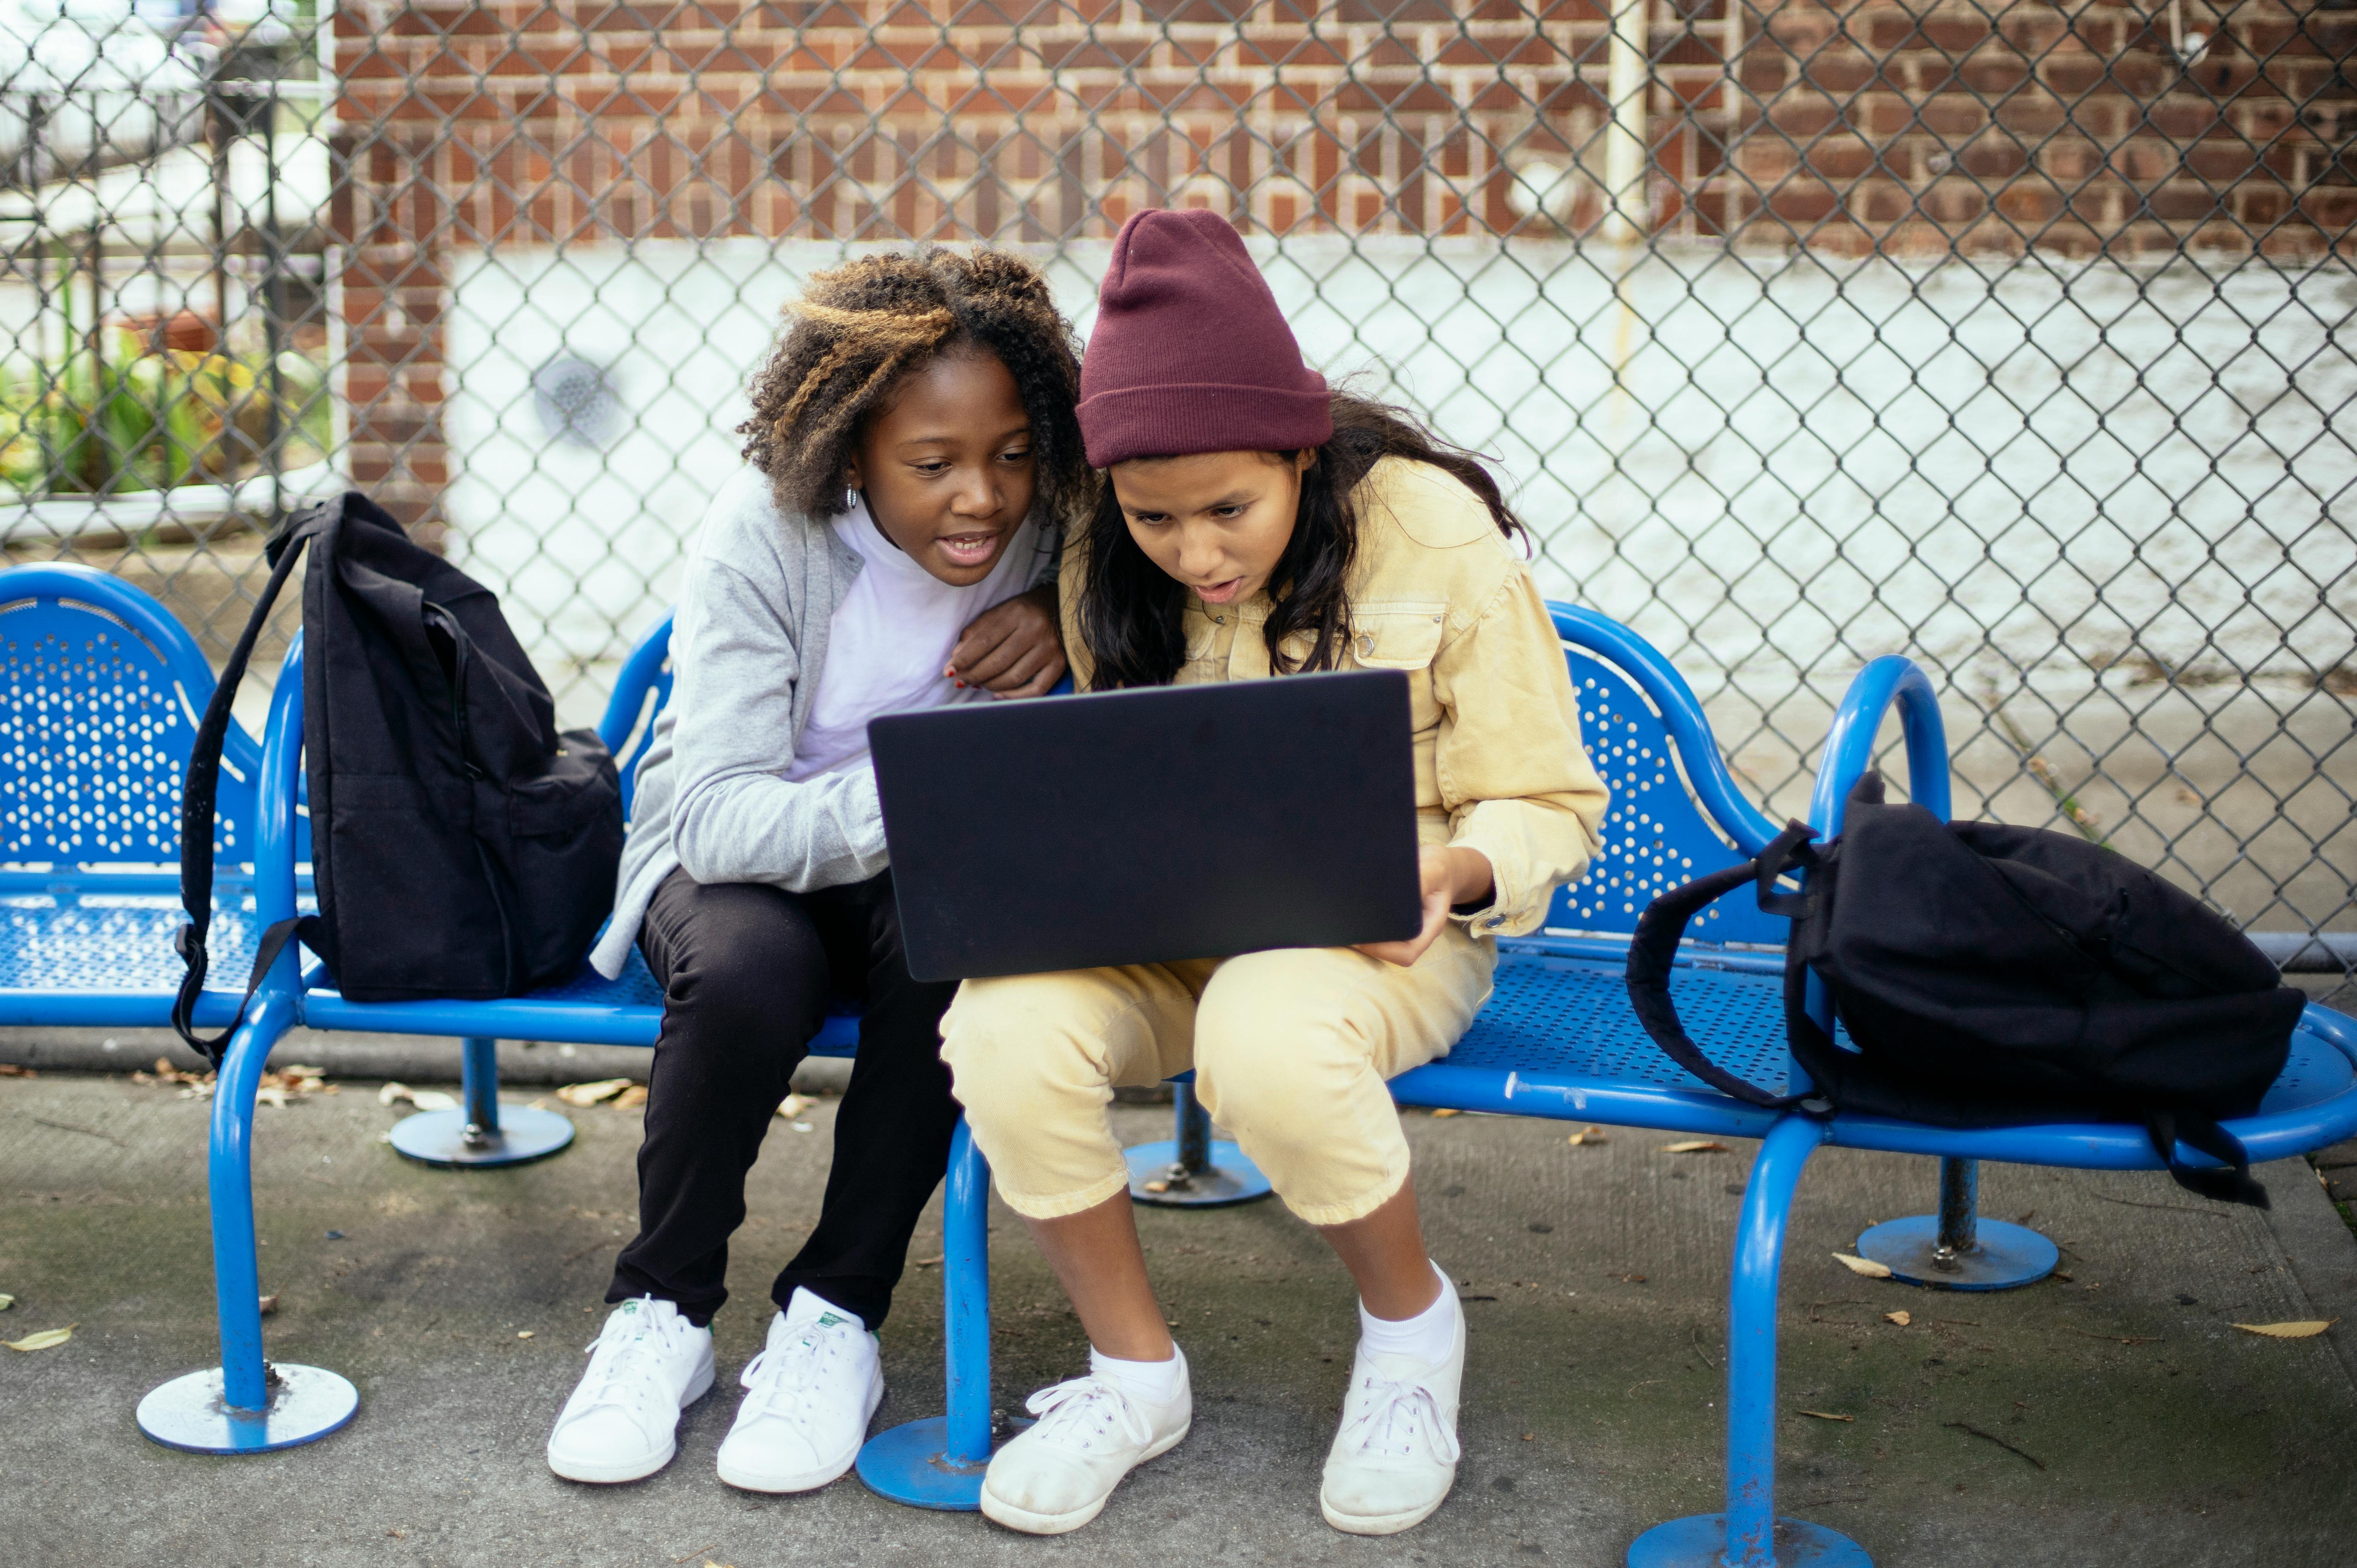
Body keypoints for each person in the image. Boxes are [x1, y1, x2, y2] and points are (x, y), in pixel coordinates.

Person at [938, 210, 1611, 1537]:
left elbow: (1549, 800)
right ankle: (1134, 1377)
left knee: (1267, 1037)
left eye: (1231, 510)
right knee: (999, 1027)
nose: (1196, 555)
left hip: (1377, 939)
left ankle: (1412, 1337)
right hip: (1164, 933)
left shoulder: (1431, 534)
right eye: (1154, 520)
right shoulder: (1102, 541)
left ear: (1301, 451)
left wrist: (1458, 868)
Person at [544, 249, 1089, 1494]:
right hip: (731, 850)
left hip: (916, 874)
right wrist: (948, 780)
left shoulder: (1060, 529)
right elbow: (723, 820)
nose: (982, 499)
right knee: (746, 972)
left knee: (944, 945)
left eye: (1011, 454)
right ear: (851, 451)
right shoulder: (764, 536)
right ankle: (660, 1315)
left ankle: (834, 1316)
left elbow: (1155, 602)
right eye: (933, 463)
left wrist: (1067, 606)